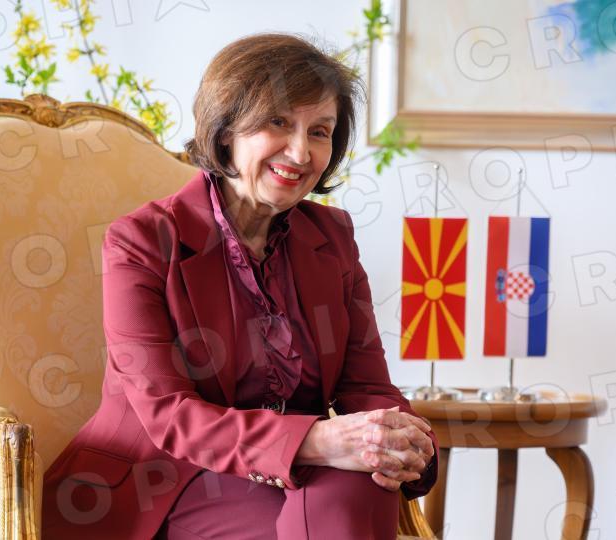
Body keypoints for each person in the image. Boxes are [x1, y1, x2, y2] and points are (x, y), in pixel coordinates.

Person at [42, 32, 438, 539]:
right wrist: (318, 441)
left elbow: (367, 386)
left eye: (320, 131)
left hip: (304, 472)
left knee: (364, 480)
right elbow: (168, 415)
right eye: (279, 123)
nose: (301, 151)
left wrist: (406, 442)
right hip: (163, 480)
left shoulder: (332, 236)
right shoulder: (141, 242)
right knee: (345, 491)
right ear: (226, 128)